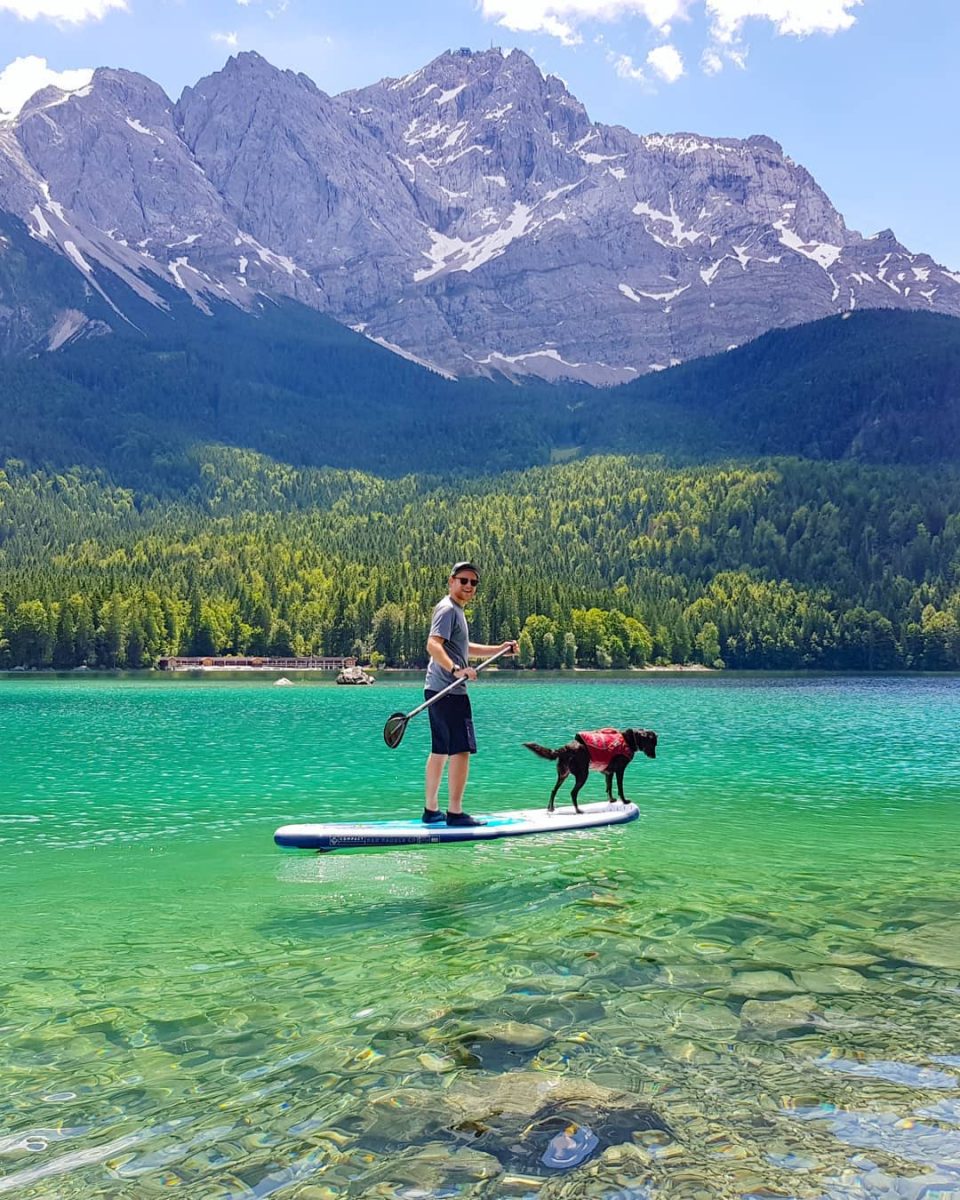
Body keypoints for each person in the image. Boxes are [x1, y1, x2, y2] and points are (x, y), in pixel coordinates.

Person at [422, 561, 518, 826]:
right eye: (463, 580)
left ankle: (431, 810)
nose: (468, 586)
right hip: (450, 690)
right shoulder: (448, 609)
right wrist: (456, 670)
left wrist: (499, 649)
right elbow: (433, 644)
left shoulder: (454, 611)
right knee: (461, 750)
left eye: (473, 583)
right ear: (451, 581)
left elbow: (464, 648)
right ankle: (455, 812)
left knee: (440, 750)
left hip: (436, 689)